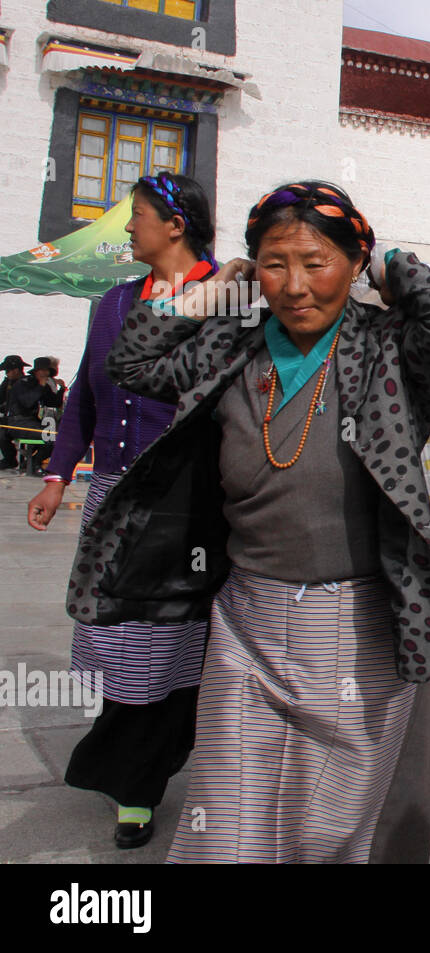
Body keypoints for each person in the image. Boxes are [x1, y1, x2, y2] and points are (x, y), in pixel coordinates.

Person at [70, 180, 430, 862]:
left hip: (359, 623)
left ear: (352, 263)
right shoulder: (233, 343)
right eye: (273, 262)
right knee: (227, 819)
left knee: (328, 831)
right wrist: (209, 294)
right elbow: (132, 363)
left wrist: (382, 261)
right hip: (247, 615)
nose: (294, 284)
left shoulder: (388, 347)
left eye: (315, 261)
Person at [27, 172, 217, 849]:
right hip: (112, 492)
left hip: (187, 500)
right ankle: (135, 761)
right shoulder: (112, 302)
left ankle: (138, 783)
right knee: (116, 636)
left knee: (170, 642)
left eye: (136, 215)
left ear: (175, 223)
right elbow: (86, 388)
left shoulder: (229, 295)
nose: (127, 227)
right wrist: (57, 474)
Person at [4, 356, 62, 472]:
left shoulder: (41, 385)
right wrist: (41, 386)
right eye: (43, 370)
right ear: (37, 371)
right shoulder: (23, 383)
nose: (46, 373)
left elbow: (53, 402)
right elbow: (27, 402)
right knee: (51, 437)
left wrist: (62, 389)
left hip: (31, 422)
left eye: (47, 371)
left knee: (58, 435)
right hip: (17, 423)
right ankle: (34, 463)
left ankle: (32, 462)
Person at [0, 354, 29, 470]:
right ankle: (9, 458)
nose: (6, 373)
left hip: (23, 419)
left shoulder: (26, 383)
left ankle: (10, 459)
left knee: (2, 433)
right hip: (9, 418)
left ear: (16, 370)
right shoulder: (8, 382)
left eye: (8, 371)